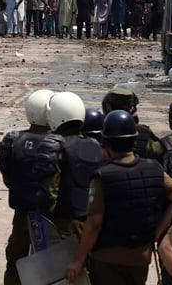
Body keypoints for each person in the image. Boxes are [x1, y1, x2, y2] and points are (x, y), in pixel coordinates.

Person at [65, 110, 172, 284]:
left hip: (107, 259)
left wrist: (78, 261)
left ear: (106, 143)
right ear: (134, 141)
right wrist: (160, 231)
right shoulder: (155, 169)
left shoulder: (102, 177)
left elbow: (94, 223)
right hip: (141, 258)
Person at [0, 89, 64, 285]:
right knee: (55, 266)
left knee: (16, 261)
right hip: (53, 216)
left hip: (22, 213)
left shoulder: (12, 141)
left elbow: (6, 173)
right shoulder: (61, 142)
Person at [46, 92, 104, 238]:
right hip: (95, 222)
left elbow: (51, 189)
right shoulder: (97, 146)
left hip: (65, 223)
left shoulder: (57, 148)